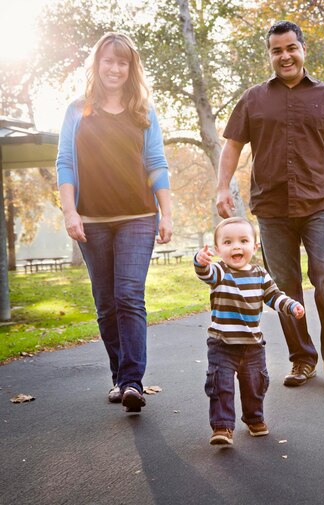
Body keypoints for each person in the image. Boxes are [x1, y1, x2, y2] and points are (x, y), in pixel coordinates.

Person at [216, 21, 324, 390]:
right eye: (276, 50)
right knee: (284, 287)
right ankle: (302, 360)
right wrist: (222, 186)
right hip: (271, 209)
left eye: (290, 48)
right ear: (269, 54)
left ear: (302, 50)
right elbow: (233, 144)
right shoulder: (254, 98)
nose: (284, 56)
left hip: (320, 204)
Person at [56, 32, 172, 413]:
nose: (115, 68)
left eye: (123, 62)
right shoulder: (77, 110)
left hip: (138, 216)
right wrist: (70, 211)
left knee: (128, 295)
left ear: (131, 68)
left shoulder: (143, 111)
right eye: (109, 60)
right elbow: (65, 165)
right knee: (106, 302)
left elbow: (156, 164)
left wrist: (166, 212)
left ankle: (132, 381)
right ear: (97, 64)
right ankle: (119, 377)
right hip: (91, 220)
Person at [194, 217, 305, 446]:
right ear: (218, 250)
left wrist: (291, 305)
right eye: (228, 242)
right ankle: (222, 427)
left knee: (255, 384)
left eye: (243, 241)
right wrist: (200, 261)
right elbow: (205, 273)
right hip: (222, 344)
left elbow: (274, 296)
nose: (236, 246)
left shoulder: (260, 274)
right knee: (220, 385)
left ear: (254, 247)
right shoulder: (220, 272)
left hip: (252, 344)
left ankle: (254, 418)